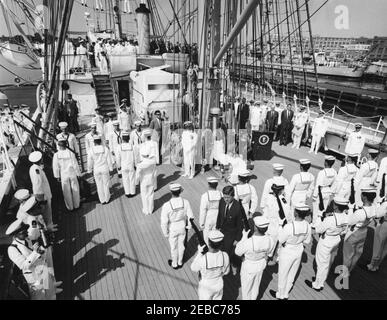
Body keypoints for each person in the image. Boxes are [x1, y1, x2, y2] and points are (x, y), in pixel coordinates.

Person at [6, 219, 61, 300]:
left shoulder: (26, 239)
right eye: (24, 232)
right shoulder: (12, 249)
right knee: (39, 296)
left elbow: (33, 245)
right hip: (34, 276)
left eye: (26, 231)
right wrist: (36, 252)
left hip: (42, 268)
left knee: (48, 288)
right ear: (16, 234)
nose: (27, 233)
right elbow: (23, 266)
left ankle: (52, 293)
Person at [306, 196, 349, 291]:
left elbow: (318, 229)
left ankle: (317, 284)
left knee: (321, 263)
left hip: (327, 241)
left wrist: (321, 220)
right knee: (329, 262)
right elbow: (344, 231)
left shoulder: (330, 219)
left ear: (336, 207)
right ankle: (321, 279)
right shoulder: (346, 216)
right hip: (336, 239)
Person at [271, 204, 312, 300]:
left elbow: (280, 239)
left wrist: (281, 226)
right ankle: (286, 293)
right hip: (298, 250)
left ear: (296, 213)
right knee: (292, 273)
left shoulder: (289, 226)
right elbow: (307, 241)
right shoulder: (307, 225)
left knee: (283, 273)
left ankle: (280, 294)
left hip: (287, 251)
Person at [343, 188, 386, 276]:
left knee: (348, 254)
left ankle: (344, 273)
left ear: (364, 197)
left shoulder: (360, 212)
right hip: (364, 231)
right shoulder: (374, 208)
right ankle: (349, 270)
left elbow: (349, 222)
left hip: (354, 232)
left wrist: (350, 209)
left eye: (362, 195)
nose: (361, 196)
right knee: (357, 253)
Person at [235, 215, 274, 300]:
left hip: (249, 267)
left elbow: (237, 252)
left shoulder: (249, 242)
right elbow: (269, 254)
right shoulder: (270, 240)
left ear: (255, 228)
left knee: (246, 290)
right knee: (255, 287)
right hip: (260, 266)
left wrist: (244, 237)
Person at [161, 183, 194, 269]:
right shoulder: (185, 202)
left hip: (173, 227)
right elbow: (190, 216)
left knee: (173, 247)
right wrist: (189, 226)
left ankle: (174, 264)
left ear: (171, 192)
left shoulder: (166, 205)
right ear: (180, 191)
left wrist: (165, 233)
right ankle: (180, 261)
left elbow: (164, 222)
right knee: (181, 245)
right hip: (182, 226)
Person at [190, 230, 230, 300]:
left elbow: (193, 268)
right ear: (221, 244)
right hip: (218, 284)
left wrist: (199, 253)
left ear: (208, 242)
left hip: (206, 285)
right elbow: (226, 272)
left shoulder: (203, 258)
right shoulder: (225, 255)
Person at [216, 186, 244, 268]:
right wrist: (217, 227)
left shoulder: (238, 207)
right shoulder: (221, 201)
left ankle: (226, 267)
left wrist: (237, 239)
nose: (226, 199)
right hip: (221, 231)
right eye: (224, 197)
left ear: (233, 196)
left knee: (227, 252)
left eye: (228, 197)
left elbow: (240, 225)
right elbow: (219, 215)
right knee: (219, 250)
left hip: (231, 234)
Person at [53, 137, 81, 211]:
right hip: (72, 173)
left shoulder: (56, 155)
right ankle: (77, 205)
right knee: (75, 189)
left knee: (66, 191)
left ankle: (70, 207)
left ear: (59, 145)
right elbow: (75, 164)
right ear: (66, 144)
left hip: (63, 174)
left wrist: (57, 176)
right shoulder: (70, 153)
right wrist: (78, 174)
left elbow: (56, 167)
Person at [87, 135, 113, 205]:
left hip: (96, 169)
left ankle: (102, 200)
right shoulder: (105, 149)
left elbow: (89, 161)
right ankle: (107, 199)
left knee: (99, 185)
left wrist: (89, 170)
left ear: (94, 142)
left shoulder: (91, 150)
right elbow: (109, 160)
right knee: (106, 184)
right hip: (104, 168)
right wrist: (111, 168)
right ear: (100, 141)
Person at [29, 151, 53, 225]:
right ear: (40, 160)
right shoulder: (37, 170)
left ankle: (50, 224)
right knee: (47, 211)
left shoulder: (33, 168)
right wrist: (40, 197)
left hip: (43, 193)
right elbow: (38, 183)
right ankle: (49, 226)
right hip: (43, 194)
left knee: (48, 211)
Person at [312, 156, 337, 225]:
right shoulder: (334, 172)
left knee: (316, 208)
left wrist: (315, 195)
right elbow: (335, 182)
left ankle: (314, 223)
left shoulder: (322, 172)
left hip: (321, 191)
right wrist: (331, 191)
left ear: (325, 163)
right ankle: (320, 222)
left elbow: (318, 185)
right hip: (328, 190)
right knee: (323, 208)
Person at [199, 177, 223, 244]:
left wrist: (201, 223)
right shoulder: (221, 194)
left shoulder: (205, 196)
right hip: (218, 216)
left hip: (208, 216)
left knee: (206, 236)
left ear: (208, 185)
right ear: (217, 185)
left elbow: (203, 210)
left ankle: (208, 250)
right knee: (216, 234)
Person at [136, 142, 156, 215]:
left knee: (144, 195)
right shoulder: (153, 161)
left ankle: (146, 210)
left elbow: (137, 174)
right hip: (151, 179)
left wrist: (136, 182)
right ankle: (151, 209)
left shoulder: (140, 165)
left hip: (143, 181)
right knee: (151, 194)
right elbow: (154, 171)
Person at [367, 202, 387, 272]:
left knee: (378, 245)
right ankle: (377, 265)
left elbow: (378, 214)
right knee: (385, 248)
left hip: (384, 224)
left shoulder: (385, 204)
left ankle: (372, 265)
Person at [116, 131, 136, 198]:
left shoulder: (119, 147)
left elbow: (118, 158)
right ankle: (132, 192)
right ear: (129, 138)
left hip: (123, 165)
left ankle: (127, 193)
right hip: (131, 165)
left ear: (122, 138)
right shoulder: (132, 146)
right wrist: (135, 164)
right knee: (132, 179)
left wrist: (118, 166)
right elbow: (135, 156)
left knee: (125, 179)